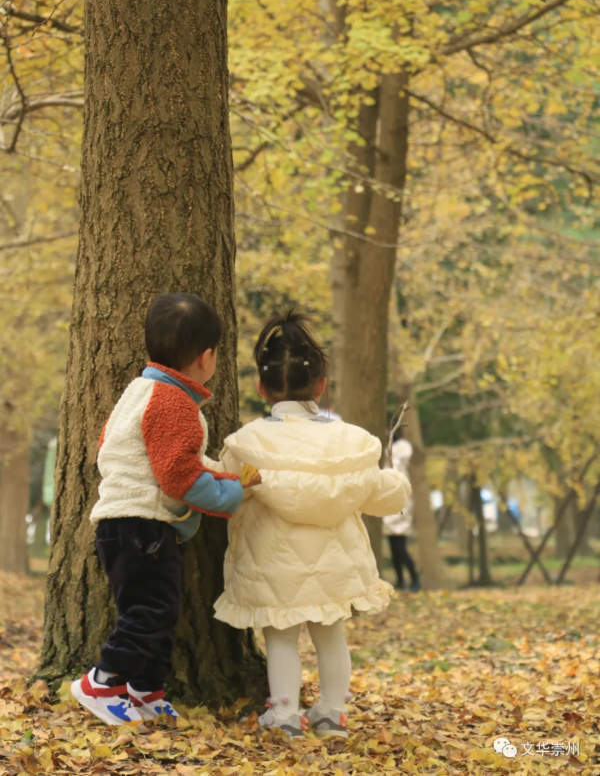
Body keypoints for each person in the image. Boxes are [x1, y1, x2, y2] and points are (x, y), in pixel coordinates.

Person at [212, 311, 412, 738]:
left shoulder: (248, 443)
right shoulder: (350, 443)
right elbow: (382, 495)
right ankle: (333, 714)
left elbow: (224, 489)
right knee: (330, 635)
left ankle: (284, 714)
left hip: (271, 565)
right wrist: (397, 482)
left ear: (262, 388)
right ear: (321, 385)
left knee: (280, 637)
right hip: (336, 565)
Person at [71, 294, 256, 727]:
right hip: (143, 526)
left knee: (159, 608)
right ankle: (102, 682)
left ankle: (145, 690)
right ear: (207, 357)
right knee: (149, 612)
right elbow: (179, 478)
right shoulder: (174, 403)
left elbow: (143, 455)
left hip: (124, 522)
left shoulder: (138, 392)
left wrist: (225, 476)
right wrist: (234, 494)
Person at [383, 439, 420, 593]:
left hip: (398, 511)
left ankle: (414, 579)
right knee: (394, 549)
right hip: (390, 512)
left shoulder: (398, 466)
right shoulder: (392, 463)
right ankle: (400, 580)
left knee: (400, 549)